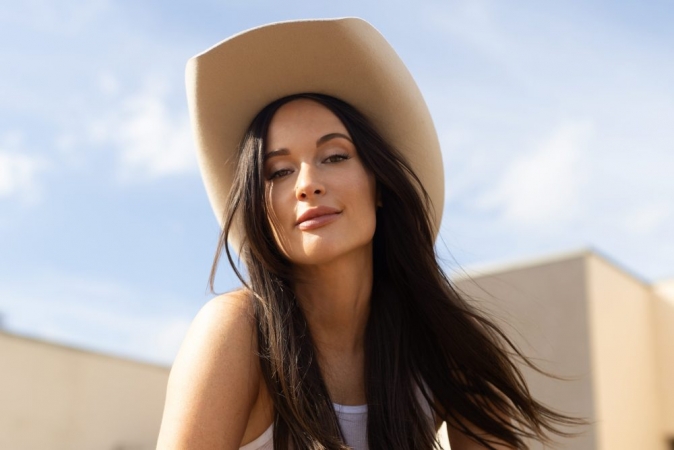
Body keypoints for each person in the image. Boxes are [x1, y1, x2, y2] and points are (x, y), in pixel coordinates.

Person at [156, 18, 583, 450]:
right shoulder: (237, 332)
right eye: (279, 171)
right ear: (259, 208)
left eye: (334, 156)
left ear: (378, 185)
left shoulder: (441, 344)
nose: (307, 184)